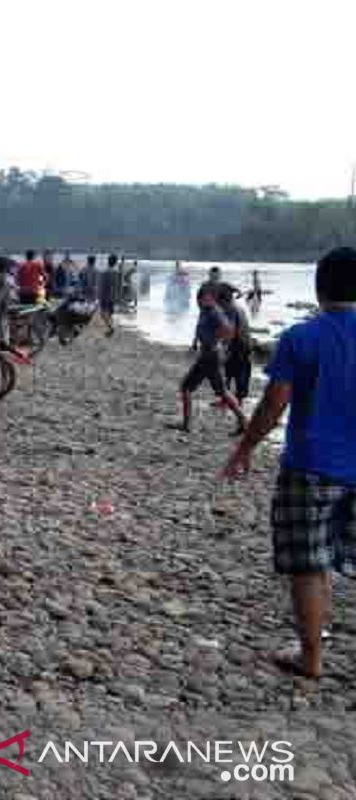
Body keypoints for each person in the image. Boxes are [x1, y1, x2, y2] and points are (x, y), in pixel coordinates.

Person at [221, 247, 356, 680]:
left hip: (310, 467)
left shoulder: (301, 337)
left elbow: (275, 403)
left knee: (309, 562)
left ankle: (311, 659)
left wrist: (244, 448)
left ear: (319, 288)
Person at [171, 285, 247, 434]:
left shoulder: (214, 312)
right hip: (208, 355)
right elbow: (203, 331)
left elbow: (229, 331)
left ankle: (243, 420)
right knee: (219, 391)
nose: (199, 302)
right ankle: (243, 421)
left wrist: (215, 342)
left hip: (211, 356)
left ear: (211, 298)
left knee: (189, 387)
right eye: (199, 299)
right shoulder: (206, 311)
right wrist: (198, 344)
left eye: (203, 298)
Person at [217, 286, 253, 402]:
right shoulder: (239, 307)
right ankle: (230, 399)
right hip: (246, 343)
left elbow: (230, 331)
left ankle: (233, 400)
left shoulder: (230, 309)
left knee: (233, 373)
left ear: (223, 300)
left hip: (238, 345)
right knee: (237, 372)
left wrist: (224, 348)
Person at [98, 254, 121, 335]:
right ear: (115, 263)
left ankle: (110, 328)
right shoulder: (116, 273)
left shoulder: (104, 272)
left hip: (105, 296)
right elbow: (118, 286)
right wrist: (117, 297)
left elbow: (101, 286)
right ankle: (110, 328)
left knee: (102, 313)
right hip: (112, 296)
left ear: (108, 261)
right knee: (110, 313)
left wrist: (99, 296)